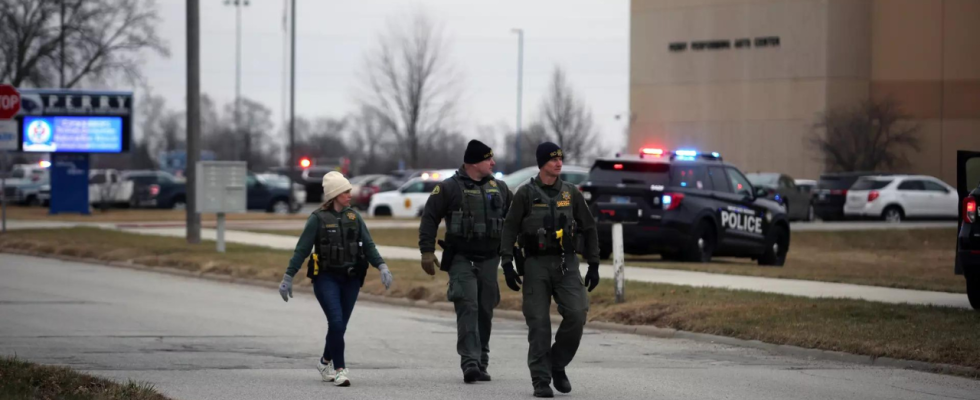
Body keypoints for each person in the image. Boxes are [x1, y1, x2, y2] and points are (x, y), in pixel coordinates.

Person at [499, 142, 601, 398]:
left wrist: (595, 264)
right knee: (539, 324)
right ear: (542, 163)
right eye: (553, 159)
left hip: (566, 263)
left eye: (560, 159)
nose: (558, 163)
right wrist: (507, 264)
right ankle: (541, 380)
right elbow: (509, 228)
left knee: (577, 314)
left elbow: (589, 228)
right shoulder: (525, 193)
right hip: (535, 265)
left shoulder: (571, 193)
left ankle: (557, 363)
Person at [278, 171, 394, 387]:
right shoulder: (317, 219)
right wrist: (288, 277)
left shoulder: (354, 217)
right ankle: (340, 370)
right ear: (335, 194)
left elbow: (368, 245)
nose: (350, 194)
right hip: (326, 278)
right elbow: (301, 250)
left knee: (339, 327)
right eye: (345, 191)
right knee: (337, 322)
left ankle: (324, 362)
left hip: (351, 279)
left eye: (350, 190)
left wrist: (382, 266)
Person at [419, 139, 512, 383]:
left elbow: (515, 220)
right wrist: (427, 251)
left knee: (485, 310)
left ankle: (482, 360)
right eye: (487, 159)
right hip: (462, 258)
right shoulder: (449, 189)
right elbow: (429, 218)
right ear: (473, 162)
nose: (493, 162)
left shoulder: (500, 188)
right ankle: (469, 362)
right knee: (467, 306)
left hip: (490, 259)